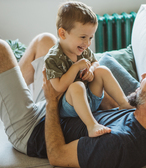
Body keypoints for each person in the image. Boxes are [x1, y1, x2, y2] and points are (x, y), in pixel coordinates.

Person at [0, 31, 146, 168]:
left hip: (33, 130)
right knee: (46, 42)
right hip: (62, 108)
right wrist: (85, 78)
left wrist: (52, 101)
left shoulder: (121, 144)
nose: (142, 76)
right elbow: (109, 103)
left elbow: (57, 156)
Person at [44, 1, 132, 137]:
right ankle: (92, 125)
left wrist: (91, 70)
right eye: (83, 37)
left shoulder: (83, 50)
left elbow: (95, 63)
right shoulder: (53, 57)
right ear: (62, 33)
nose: (87, 43)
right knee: (76, 86)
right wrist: (75, 67)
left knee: (102, 70)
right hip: (69, 106)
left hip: (90, 98)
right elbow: (58, 87)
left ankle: (124, 104)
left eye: (90, 37)